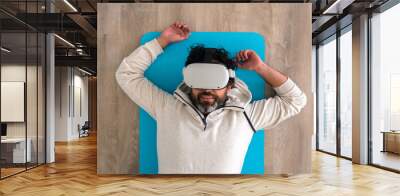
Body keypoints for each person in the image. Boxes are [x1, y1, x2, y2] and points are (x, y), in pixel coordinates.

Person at [115, 21, 307, 174]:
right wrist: (162, 40)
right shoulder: (166, 107)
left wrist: (260, 68)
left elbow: (296, 100)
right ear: (188, 80)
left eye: (216, 81)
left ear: (230, 84)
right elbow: (126, 74)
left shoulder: (247, 116)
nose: (207, 89)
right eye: (199, 79)